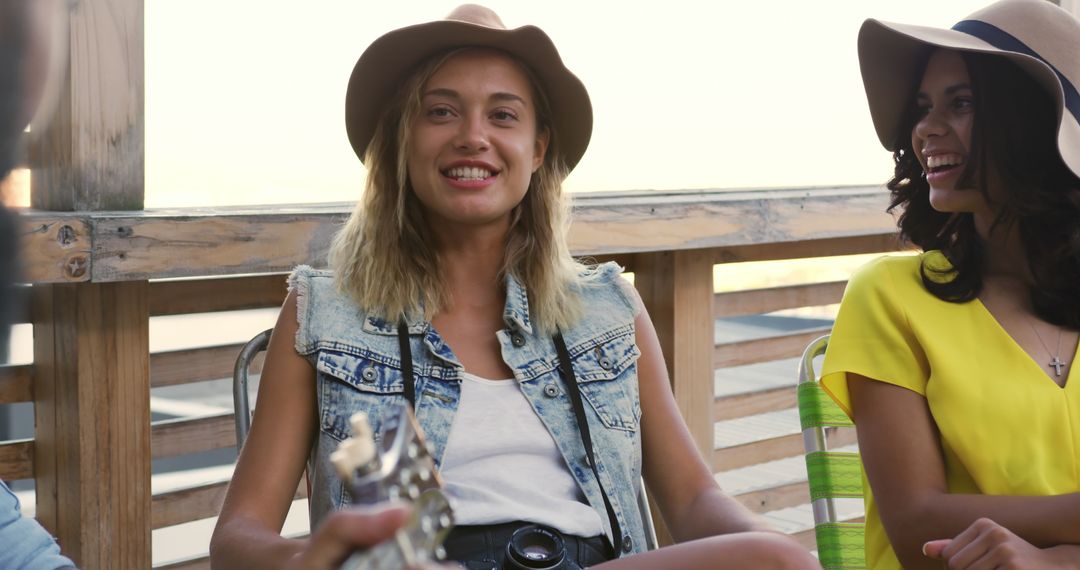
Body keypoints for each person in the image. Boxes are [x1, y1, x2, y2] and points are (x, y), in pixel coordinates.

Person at [211, 4, 819, 569]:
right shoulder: (330, 313)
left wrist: (769, 546)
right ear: (401, 139)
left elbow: (693, 502)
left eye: (503, 115)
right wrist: (318, 554)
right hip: (423, 560)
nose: (473, 136)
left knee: (783, 561)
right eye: (441, 111)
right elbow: (237, 539)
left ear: (537, 149)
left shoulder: (605, 307)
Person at [820, 0, 1080, 569]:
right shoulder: (889, 296)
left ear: (1034, 123)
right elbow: (916, 523)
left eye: (961, 103)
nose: (924, 130)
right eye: (921, 107)